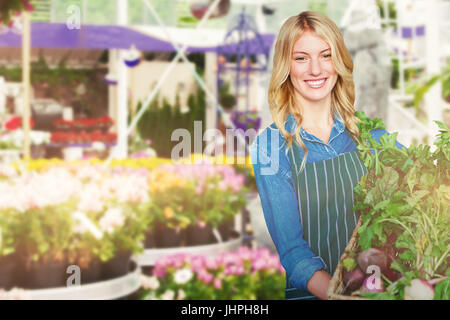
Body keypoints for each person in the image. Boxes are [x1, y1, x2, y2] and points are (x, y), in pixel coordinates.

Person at [250, 11, 405, 300]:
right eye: (301, 58)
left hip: (377, 290)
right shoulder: (270, 147)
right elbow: (294, 254)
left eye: (325, 55)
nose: (316, 69)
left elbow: (425, 179)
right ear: (286, 65)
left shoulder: (369, 134)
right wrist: (341, 296)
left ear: (339, 61)